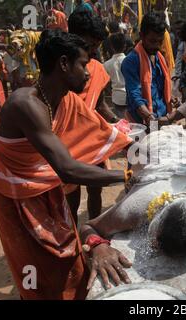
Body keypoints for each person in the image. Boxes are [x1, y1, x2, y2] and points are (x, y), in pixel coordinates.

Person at [0, 30, 132, 300]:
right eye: (83, 64)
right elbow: (67, 169)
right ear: (63, 64)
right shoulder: (25, 104)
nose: (88, 72)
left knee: (67, 259)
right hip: (17, 197)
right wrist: (127, 175)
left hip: (47, 189)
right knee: (37, 269)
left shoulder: (65, 100)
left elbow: (100, 128)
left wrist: (139, 144)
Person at [80, 127, 186, 299]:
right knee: (137, 169)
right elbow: (88, 227)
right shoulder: (137, 206)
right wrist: (99, 247)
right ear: (153, 230)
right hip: (157, 144)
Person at [65, 10, 120, 222]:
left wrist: (117, 122)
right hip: (68, 142)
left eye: (96, 46)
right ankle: (72, 239)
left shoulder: (96, 68)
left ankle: (94, 229)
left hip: (92, 139)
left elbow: (99, 103)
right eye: (89, 46)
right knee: (71, 195)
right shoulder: (63, 67)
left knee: (96, 188)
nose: (93, 51)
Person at [121, 13, 174, 125]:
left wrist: (171, 99)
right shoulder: (131, 61)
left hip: (162, 118)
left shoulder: (160, 58)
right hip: (141, 122)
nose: (157, 46)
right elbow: (135, 95)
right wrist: (149, 117)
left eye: (160, 41)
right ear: (141, 36)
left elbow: (160, 90)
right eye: (152, 41)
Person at [104, 33, 127, 109]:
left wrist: (111, 92)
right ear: (125, 46)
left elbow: (106, 83)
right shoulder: (130, 61)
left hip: (116, 98)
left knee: (119, 120)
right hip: (130, 96)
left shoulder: (106, 64)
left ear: (111, 47)